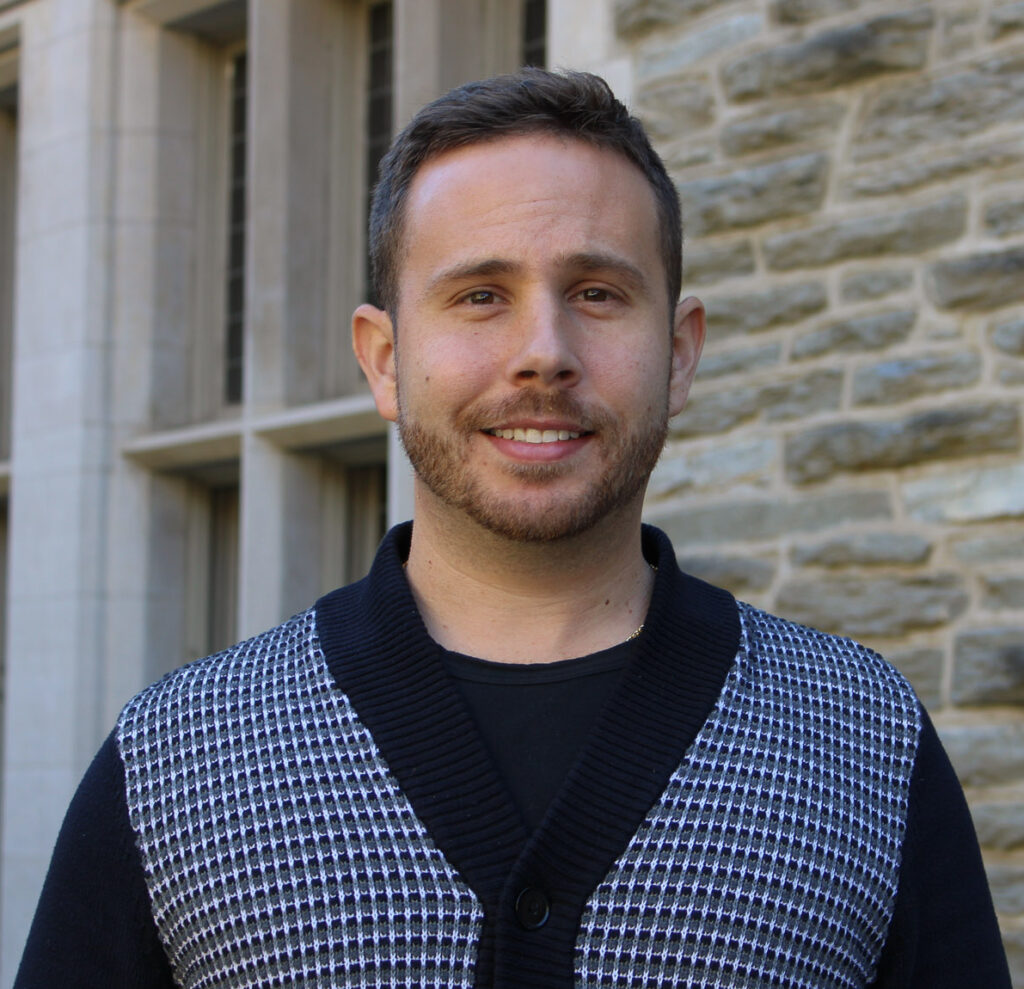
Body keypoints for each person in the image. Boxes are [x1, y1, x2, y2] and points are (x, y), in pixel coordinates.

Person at [15, 68, 1010, 989]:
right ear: (383, 358)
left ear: (679, 351)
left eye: (597, 293)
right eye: (480, 295)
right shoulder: (180, 758)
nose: (544, 353)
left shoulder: (860, 738)